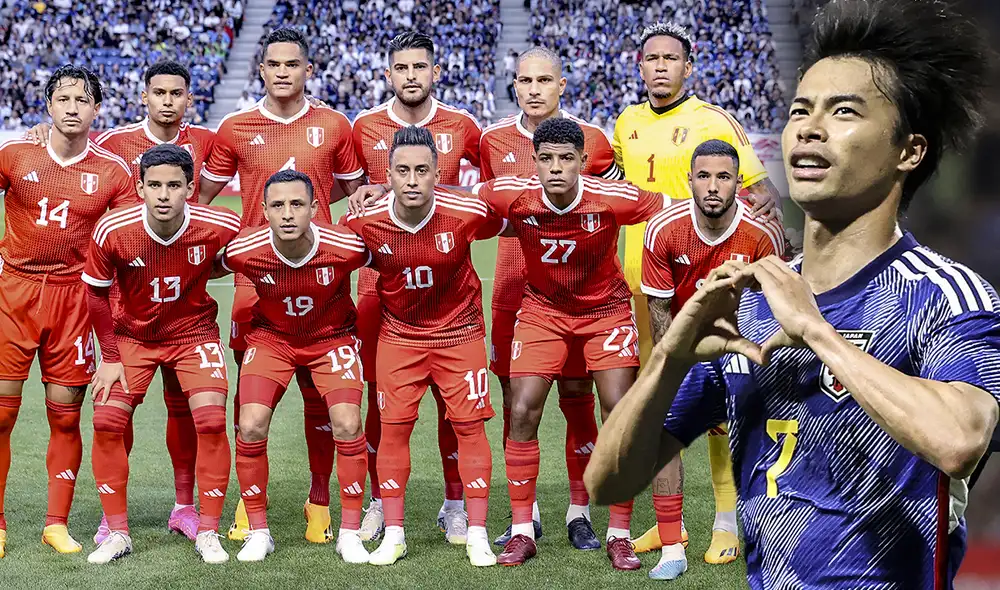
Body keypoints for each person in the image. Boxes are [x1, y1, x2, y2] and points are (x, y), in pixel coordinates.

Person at [586, 1, 998, 588]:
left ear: (909, 150)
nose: (808, 126)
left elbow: (959, 440)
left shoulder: (944, 294)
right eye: (801, 109)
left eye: (844, 111)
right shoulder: (751, 303)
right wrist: (668, 356)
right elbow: (609, 483)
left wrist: (817, 333)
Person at [25, 58, 218, 544]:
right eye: (159, 92)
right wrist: (35, 135)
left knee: (189, 409)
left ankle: (185, 506)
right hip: (121, 301)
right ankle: (113, 515)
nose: (168, 101)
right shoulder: (113, 146)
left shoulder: (211, 143)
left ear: (189, 99)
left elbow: (214, 216)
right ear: (144, 97)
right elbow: (74, 153)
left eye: (178, 93)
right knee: (115, 410)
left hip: (184, 305)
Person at [613, 21, 780, 566]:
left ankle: (729, 522)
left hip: (710, 289)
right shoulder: (627, 123)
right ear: (640, 66)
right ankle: (670, 525)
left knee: (719, 407)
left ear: (689, 67)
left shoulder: (713, 121)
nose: (660, 66)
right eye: (651, 58)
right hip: (645, 288)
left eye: (670, 58)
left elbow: (762, 197)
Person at [474, 117, 669, 570]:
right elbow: (451, 204)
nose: (556, 167)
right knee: (521, 408)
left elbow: (676, 207)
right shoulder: (512, 196)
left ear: (585, 161)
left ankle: (619, 534)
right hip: (543, 311)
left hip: (606, 312)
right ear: (535, 162)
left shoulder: (612, 197)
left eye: (566, 158)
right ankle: (523, 531)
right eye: (546, 159)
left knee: (619, 411)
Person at [199, 27, 367, 544]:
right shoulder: (235, 127)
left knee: (325, 397)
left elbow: (357, 197)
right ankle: (252, 511)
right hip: (256, 278)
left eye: (292, 64)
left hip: (321, 278)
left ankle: (320, 502)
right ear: (262, 70)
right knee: (251, 398)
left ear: (307, 70)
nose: (282, 72)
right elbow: (202, 200)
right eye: (273, 64)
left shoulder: (335, 126)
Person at [479, 46, 622, 550]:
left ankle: (579, 512)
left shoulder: (595, 143)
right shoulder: (491, 139)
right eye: (524, 80)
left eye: (544, 80)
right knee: (518, 402)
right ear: (514, 85)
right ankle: (528, 515)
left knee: (580, 400)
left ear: (563, 84)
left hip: (581, 296)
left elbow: (607, 208)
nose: (534, 89)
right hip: (512, 291)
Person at [344, 126, 505, 567]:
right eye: (402, 171)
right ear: (387, 176)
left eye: (421, 170)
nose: (412, 180)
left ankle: (476, 533)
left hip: (461, 334)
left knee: (470, 427)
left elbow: (510, 218)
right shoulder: (363, 221)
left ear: (438, 174)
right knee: (393, 429)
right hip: (399, 335)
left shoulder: (466, 211)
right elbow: (332, 258)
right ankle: (394, 534)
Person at [351, 31, 483, 543]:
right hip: (380, 285)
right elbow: (351, 195)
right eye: (401, 67)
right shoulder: (363, 126)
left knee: (457, 408)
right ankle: (381, 506)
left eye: (419, 67)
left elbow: (488, 192)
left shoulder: (462, 125)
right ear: (389, 74)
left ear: (435, 72)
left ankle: (455, 504)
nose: (410, 76)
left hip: (449, 286)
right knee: (379, 403)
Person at [0, 65, 135, 558]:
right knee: (1, 415)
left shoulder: (113, 173)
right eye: (63, 98)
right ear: (49, 106)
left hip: (74, 300)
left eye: (83, 99)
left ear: (96, 109)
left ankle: (55, 524)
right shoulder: (15, 154)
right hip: (12, 293)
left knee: (65, 415)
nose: (73, 107)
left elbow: (121, 248)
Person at [83, 144, 239, 564]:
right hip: (132, 336)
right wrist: (110, 356)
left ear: (191, 187)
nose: (164, 194)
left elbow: (243, 257)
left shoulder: (220, 224)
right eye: (155, 185)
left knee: (209, 418)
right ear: (140, 188)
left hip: (193, 333)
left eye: (174, 185)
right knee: (107, 419)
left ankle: (206, 528)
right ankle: (117, 531)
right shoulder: (113, 229)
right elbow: (95, 296)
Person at [638, 139, 784, 579]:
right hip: (684, 342)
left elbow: (773, 308)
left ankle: (726, 526)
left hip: (741, 342)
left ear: (739, 182)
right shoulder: (663, 229)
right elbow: (660, 310)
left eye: (724, 177)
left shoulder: (763, 235)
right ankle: (671, 535)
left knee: (731, 424)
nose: (713, 186)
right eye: (704, 176)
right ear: (690, 181)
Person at [219, 170, 371, 563]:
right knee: (250, 424)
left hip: (331, 337)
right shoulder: (243, 250)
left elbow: (394, 253)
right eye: (278, 206)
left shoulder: (346, 245)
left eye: (297, 204)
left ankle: (351, 532)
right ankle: (259, 531)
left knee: (349, 423)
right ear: (264, 211)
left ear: (315, 209)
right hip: (272, 339)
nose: (288, 214)